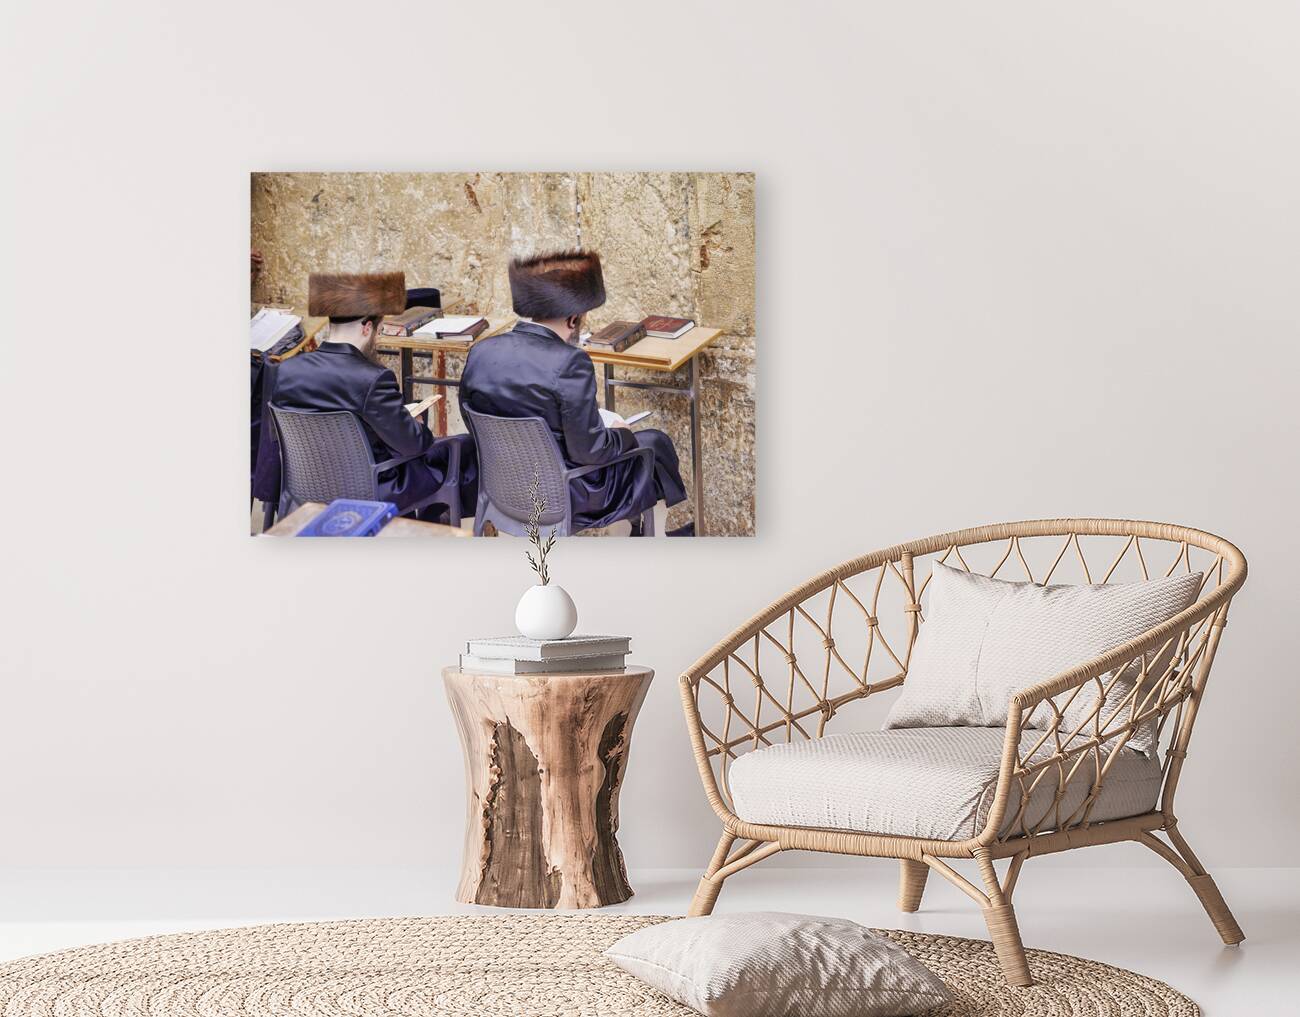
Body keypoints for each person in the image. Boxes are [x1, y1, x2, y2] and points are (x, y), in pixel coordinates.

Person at [460, 250, 686, 534]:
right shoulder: (570, 362)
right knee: (653, 443)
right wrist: (621, 433)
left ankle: (637, 532)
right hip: (566, 495)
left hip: (503, 489)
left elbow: (473, 420)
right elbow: (589, 451)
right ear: (573, 318)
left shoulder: (481, 351)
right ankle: (655, 537)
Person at [265, 271, 476, 522]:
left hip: (305, 486)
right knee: (461, 448)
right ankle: (436, 527)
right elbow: (414, 445)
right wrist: (415, 424)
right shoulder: (373, 378)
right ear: (367, 328)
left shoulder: (285, 370)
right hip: (371, 489)